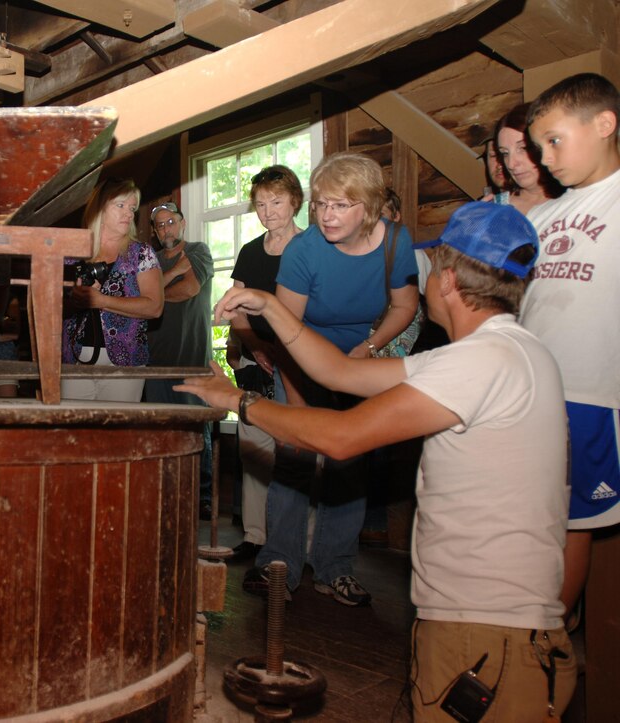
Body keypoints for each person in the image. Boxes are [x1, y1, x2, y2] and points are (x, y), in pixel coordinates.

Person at [178, 201, 575, 722]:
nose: (420, 280)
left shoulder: (482, 362)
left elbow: (342, 437)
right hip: (490, 627)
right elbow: (342, 373)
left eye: (428, 269)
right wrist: (271, 306)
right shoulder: (501, 351)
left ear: (449, 280)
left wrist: (237, 401)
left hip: (485, 631)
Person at [240, 152, 418, 607]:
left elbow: (404, 307)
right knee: (295, 455)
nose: (326, 215)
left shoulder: (395, 242)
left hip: (360, 355)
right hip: (299, 353)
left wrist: (370, 348)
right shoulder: (305, 250)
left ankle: (335, 568)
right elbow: (286, 327)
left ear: (369, 206)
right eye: (320, 205)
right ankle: (279, 563)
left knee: (349, 461)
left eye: (340, 205)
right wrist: (295, 395)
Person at [523, 72, 620, 629]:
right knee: (530, 517)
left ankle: (548, 640)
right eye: (538, 148)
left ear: (604, 124)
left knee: (571, 523)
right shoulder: (541, 217)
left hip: (591, 392)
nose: (544, 159)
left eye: (554, 141)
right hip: (534, 390)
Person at [227, 166, 305, 559]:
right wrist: (255, 346)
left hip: (301, 364)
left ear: (294, 200)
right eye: (260, 203)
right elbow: (236, 307)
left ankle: (299, 544)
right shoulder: (250, 252)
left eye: (276, 201)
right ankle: (256, 535)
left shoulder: (312, 247)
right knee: (254, 447)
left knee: (298, 450)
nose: (268, 211)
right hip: (256, 361)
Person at [61, 178, 163, 402]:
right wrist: (75, 300)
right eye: (121, 206)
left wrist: (101, 300)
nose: (129, 213)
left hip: (126, 361)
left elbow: (155, 307)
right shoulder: (72, 252)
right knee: (75, 432)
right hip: (74, 358)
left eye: (132, 208)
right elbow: (50, 307)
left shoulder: (141, 253)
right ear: (99, 207)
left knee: (118, 434)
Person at [144, 200, 215, 519]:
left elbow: (189, 289)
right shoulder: (150, 260)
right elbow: (138, 298)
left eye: (170, 222)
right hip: (155, 361)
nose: (165, 229)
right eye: (159, 225)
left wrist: (153, 297)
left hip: (192, 358)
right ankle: (169, 492)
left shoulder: (198, 251)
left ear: (182, 223)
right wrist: (171, 274)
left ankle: (202, 496)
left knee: (196, 429)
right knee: (162, 429)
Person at [493, 103, 563, 215]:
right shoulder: (495, 209)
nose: (511, 164)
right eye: (505, 153)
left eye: (523, 148)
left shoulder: (577, 200)